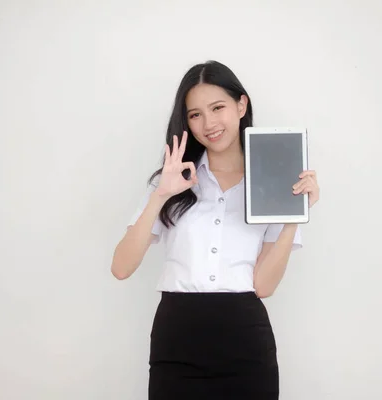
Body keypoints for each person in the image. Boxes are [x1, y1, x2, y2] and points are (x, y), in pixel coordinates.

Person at [111, 60, 320, 400]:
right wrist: (160, 195)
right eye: (195, 114)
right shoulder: (173, 182)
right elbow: (121, 267)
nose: (208, 124)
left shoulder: (273, 185)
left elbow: (264, 286)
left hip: (245, 341)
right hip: (176, 337)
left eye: (217, 108)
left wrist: (294, 214)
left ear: (241, 105)